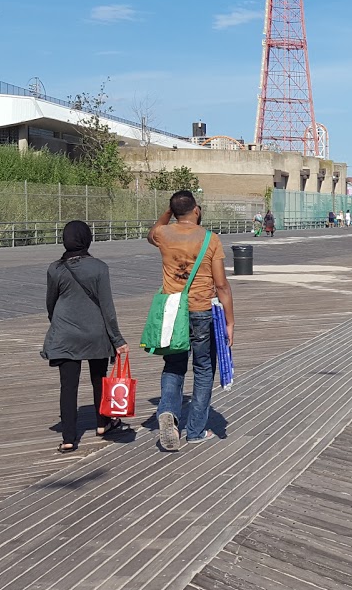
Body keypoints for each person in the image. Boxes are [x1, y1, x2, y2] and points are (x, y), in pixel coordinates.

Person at [148, 191, 235, 451]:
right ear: (196, 210)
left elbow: (152, 232)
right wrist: (229, 322)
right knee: (204, 368)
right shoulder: (211, 239)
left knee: (174, 365)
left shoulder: (164, 235)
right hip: (201, 311)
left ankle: (168, 413)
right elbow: (221, 285)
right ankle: (196, 430)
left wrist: (169, 211)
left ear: (174, 212)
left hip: (173, 311)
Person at [42, 220, 128, 453]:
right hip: (95, 334)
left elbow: (50, 303)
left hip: (65, 334)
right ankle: (103, 423)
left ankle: (69, 438)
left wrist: (58, 324)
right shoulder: (100, 268)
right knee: (99, 379)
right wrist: (118, 339)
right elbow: (107, 307)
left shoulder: (55, 268)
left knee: (67, 387)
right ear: (87, 239)